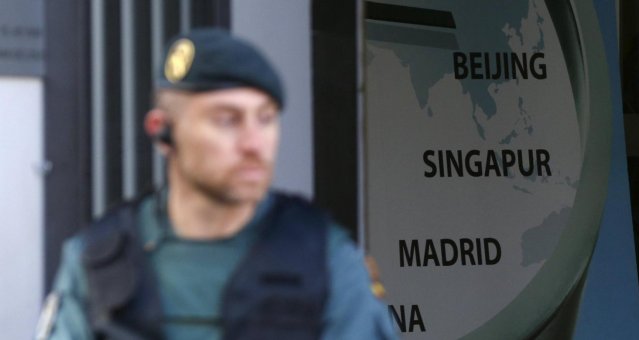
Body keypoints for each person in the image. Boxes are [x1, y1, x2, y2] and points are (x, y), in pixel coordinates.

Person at [36, 28, 397, 340]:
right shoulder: (97, 263)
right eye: (227, 120)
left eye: (266, 119)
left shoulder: (328, 260)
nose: (255, 144)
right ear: (162, 132)